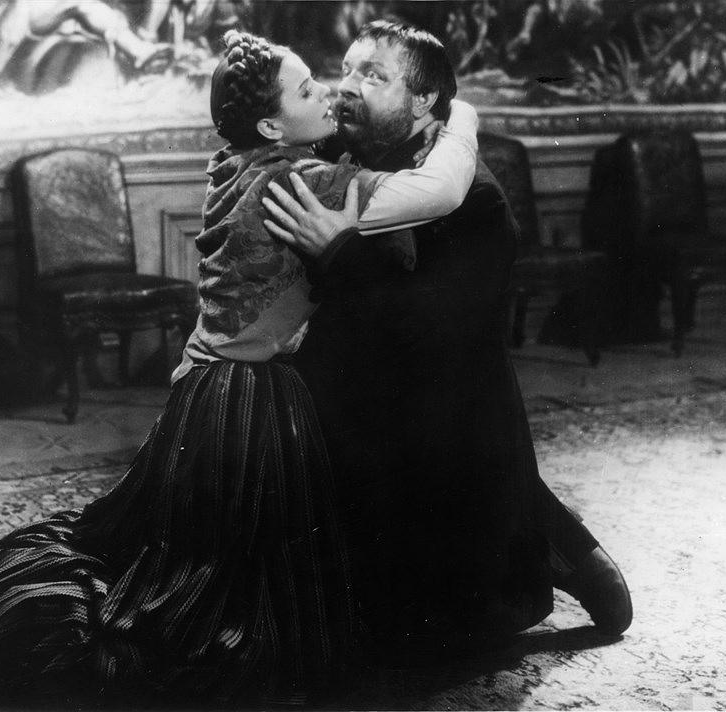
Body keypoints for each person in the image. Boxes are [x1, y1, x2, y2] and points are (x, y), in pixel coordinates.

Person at [0, 28, 480, 708]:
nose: (329, 94)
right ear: (272, 125)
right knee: (227, 586)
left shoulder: (234, 164)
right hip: (251, 397)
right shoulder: (305, 182)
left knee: (195, 555)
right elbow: (442, 190)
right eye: (308, 90)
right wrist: (463, 116)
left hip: (207, 386)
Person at [263, 19, 633, 660]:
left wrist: (339, 253)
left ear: (424, 100)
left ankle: (557, 546)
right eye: (346, 69)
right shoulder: (345, 152)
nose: (347, 86)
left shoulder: (476, 201)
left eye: (373, 75)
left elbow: (426, 332)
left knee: (434, 635)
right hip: (359, 394)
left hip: (446, 413)